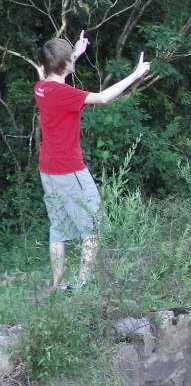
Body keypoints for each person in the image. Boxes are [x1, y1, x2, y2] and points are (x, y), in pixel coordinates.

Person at [34, 30, 151, 290]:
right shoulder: (65, 94)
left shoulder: (41, 88)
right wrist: (136, 74)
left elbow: (57, 72)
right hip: (69, 170)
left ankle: (56, 286)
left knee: (58, 227)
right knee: (93, 226)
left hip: (48, 169)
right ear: (63, 64)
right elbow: (103, 98)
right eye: (70, 59)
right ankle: (82, 288)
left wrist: (75, 52)